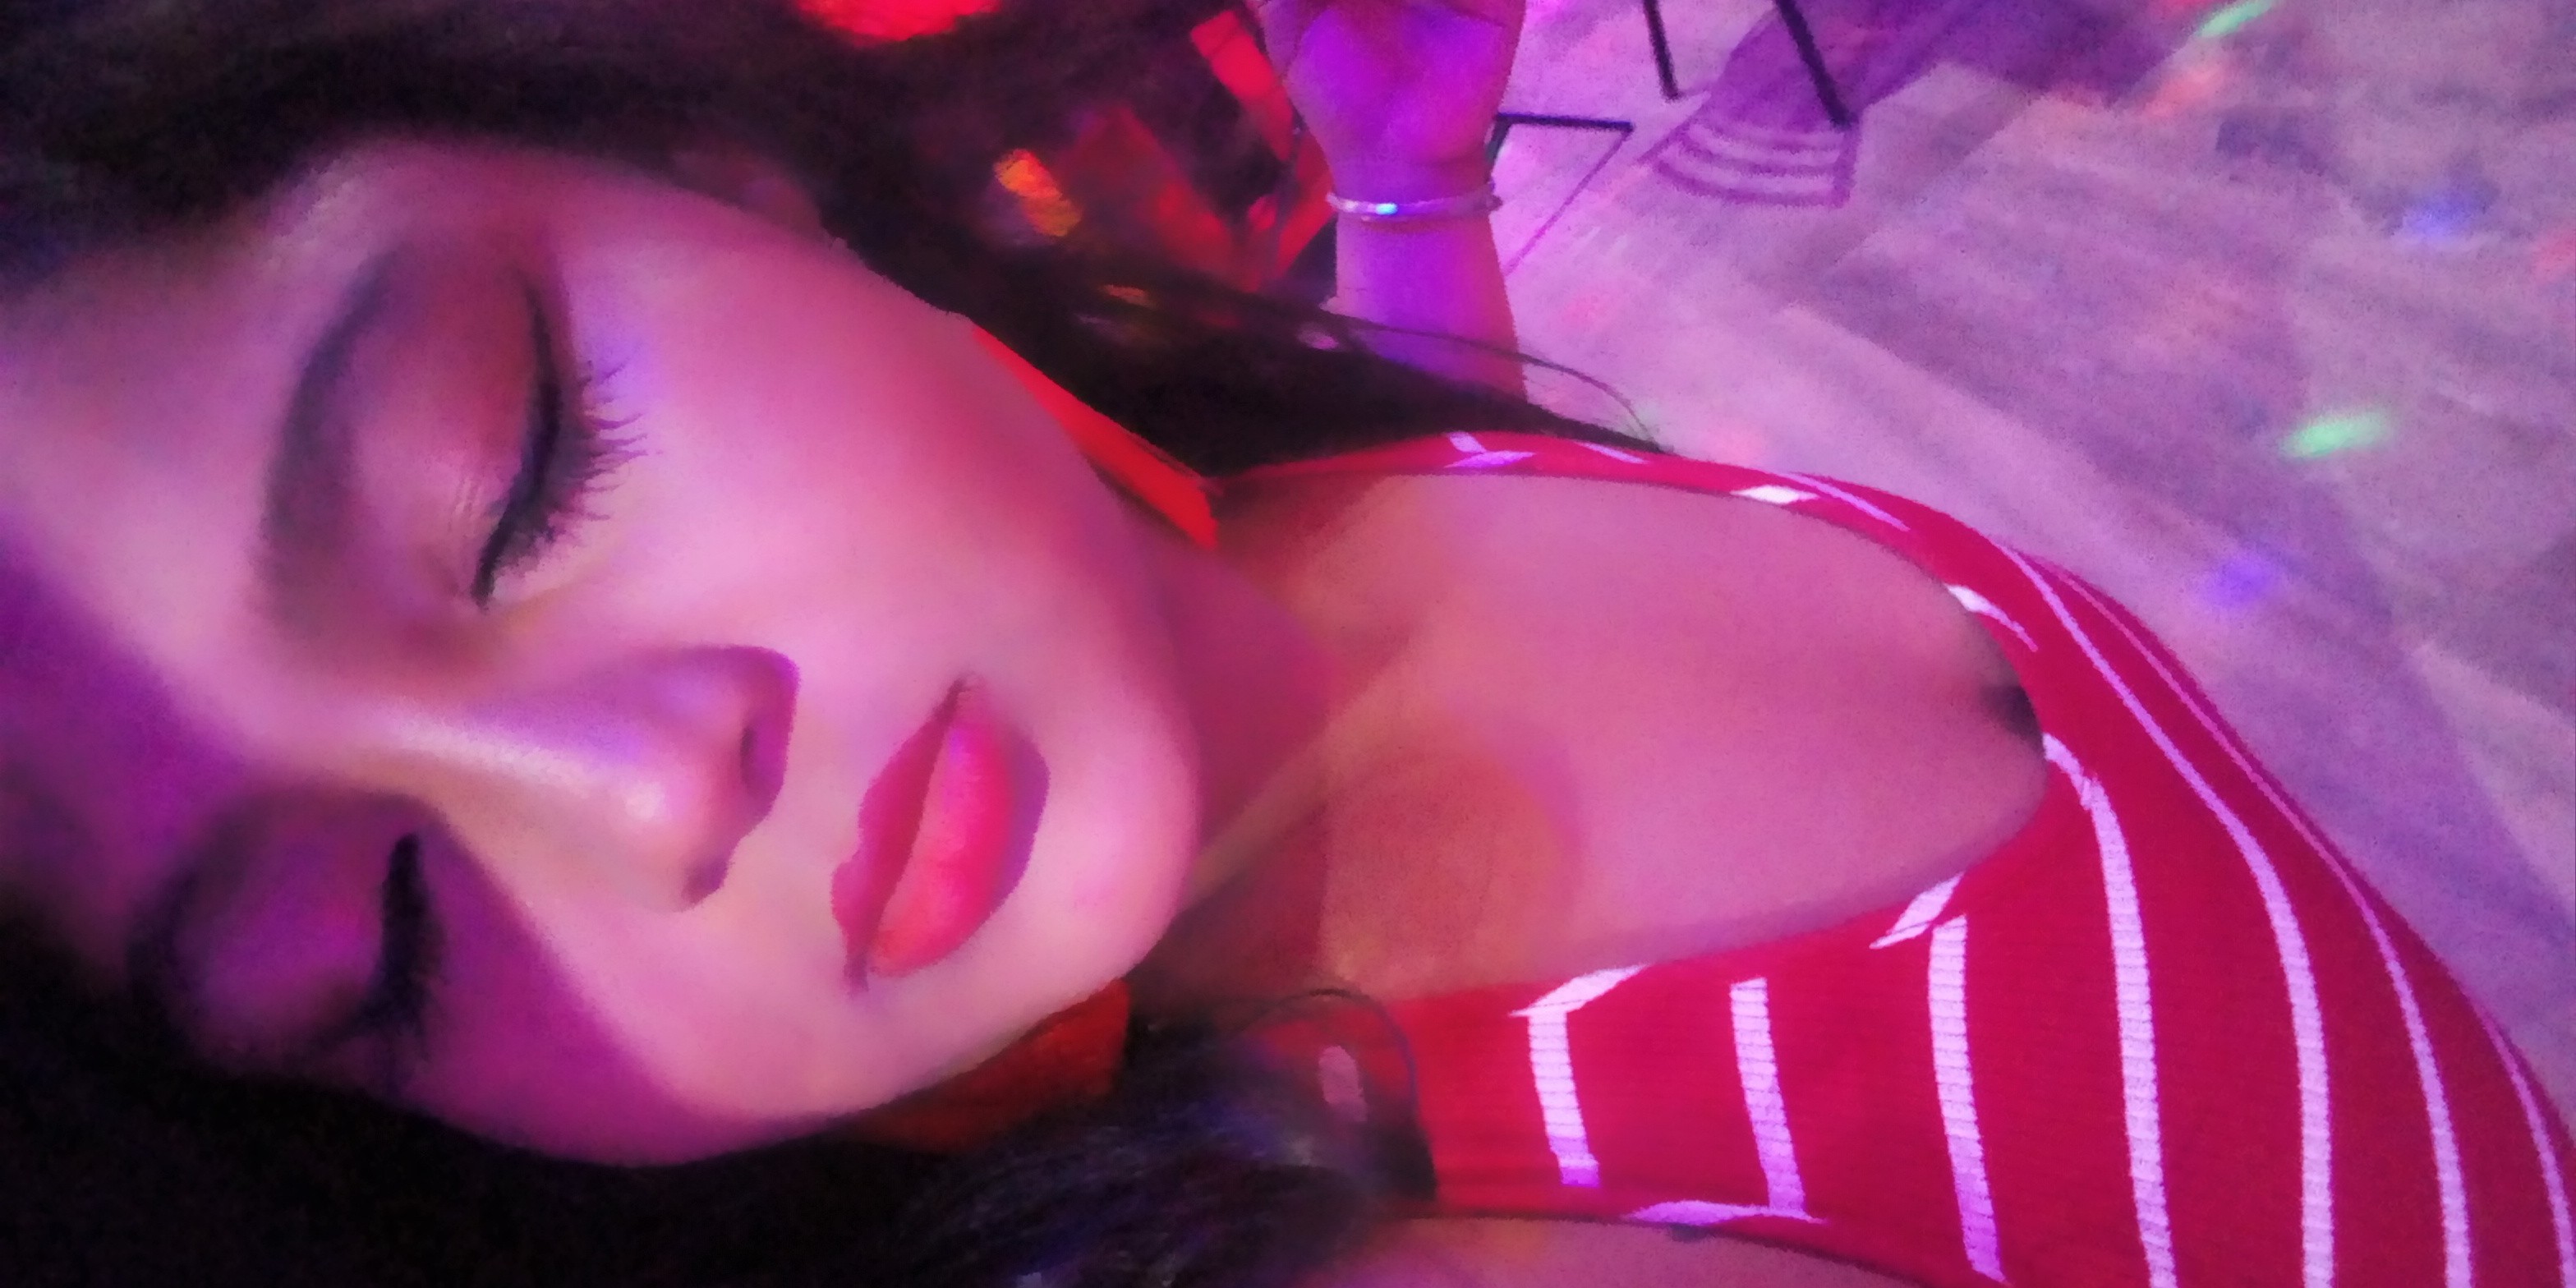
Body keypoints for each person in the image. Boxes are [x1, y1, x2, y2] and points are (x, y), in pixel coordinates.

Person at [1, 2, 2568, 1287]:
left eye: (513, 465)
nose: (645, 792)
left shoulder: (1257, 493)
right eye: (384, 936)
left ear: (700, 161)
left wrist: (1410, 184)